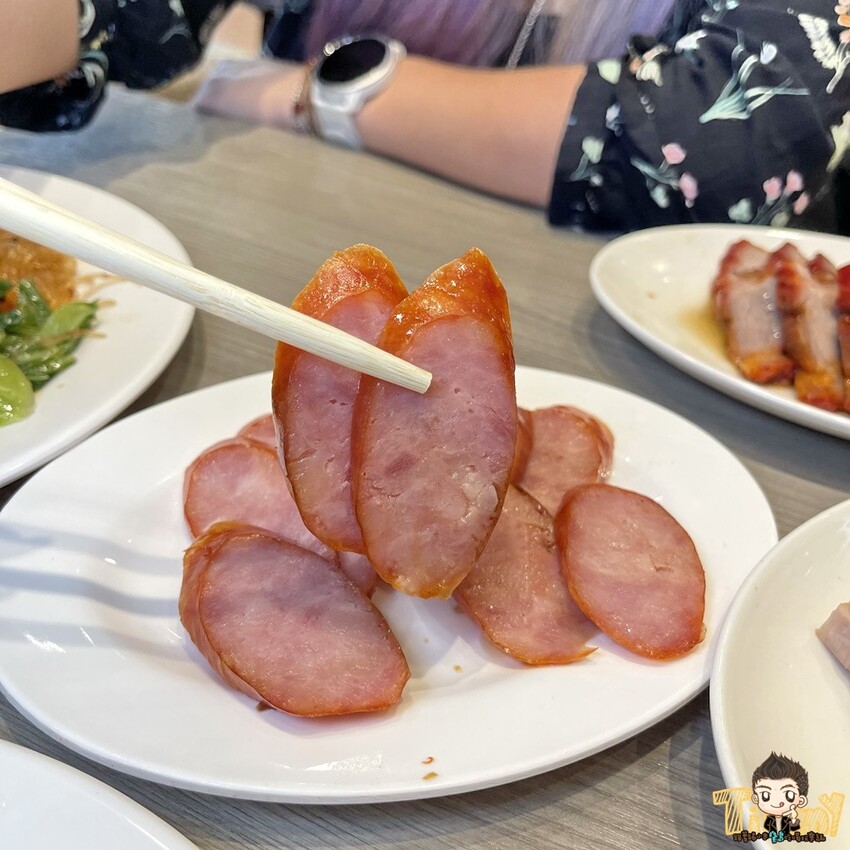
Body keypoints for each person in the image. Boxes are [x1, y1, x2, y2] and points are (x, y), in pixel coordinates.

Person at [1, 0, 848, 234]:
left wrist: (318, 94)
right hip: (305, 235)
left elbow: (720, 149)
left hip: (630, 333)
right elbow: (112, 22)